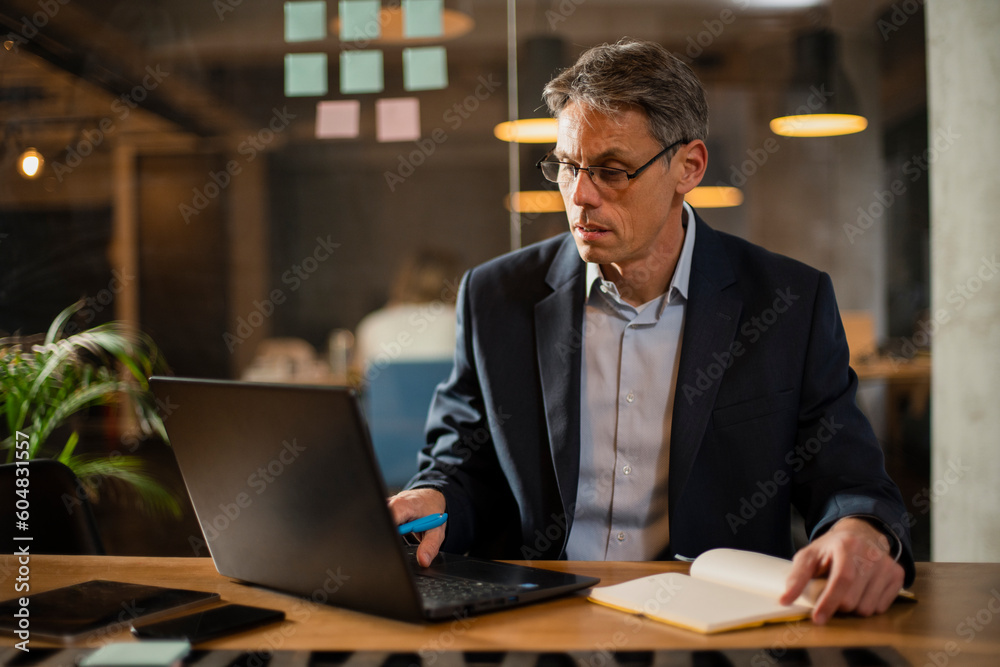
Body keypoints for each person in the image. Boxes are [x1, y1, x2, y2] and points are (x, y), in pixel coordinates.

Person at [388, 38, 913, 626]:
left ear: (688, 166)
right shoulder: (495, 296)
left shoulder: (787, 302)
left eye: (611, 170)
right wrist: (432, 500)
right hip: (540, 617)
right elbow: (462, 461)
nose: (579, 195)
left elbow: (847, 478)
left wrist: (859, 533)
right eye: (565, 165)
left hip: (717, 626)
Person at [352, 248, 460, 380]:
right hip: (442, 400)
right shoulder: (460, 321)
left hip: (388, 401)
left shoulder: (372, 324)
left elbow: (358, 382)